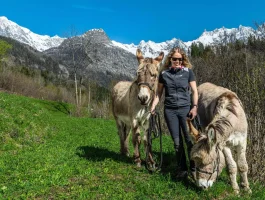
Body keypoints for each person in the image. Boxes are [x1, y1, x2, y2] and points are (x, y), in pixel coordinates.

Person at [150, 47, 198, 178]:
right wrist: (153, 106)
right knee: (177, 143)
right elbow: (158, 94)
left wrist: (194, 107)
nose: (177, 61)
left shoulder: (188, 73)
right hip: (170, 111)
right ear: (170, 59)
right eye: (174, 59)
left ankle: (194, 169)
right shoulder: (164, 74)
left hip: (185, 110)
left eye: (180, 59)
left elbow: (194, 91)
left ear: (183, 60)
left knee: (189, 141)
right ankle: (182, 169)